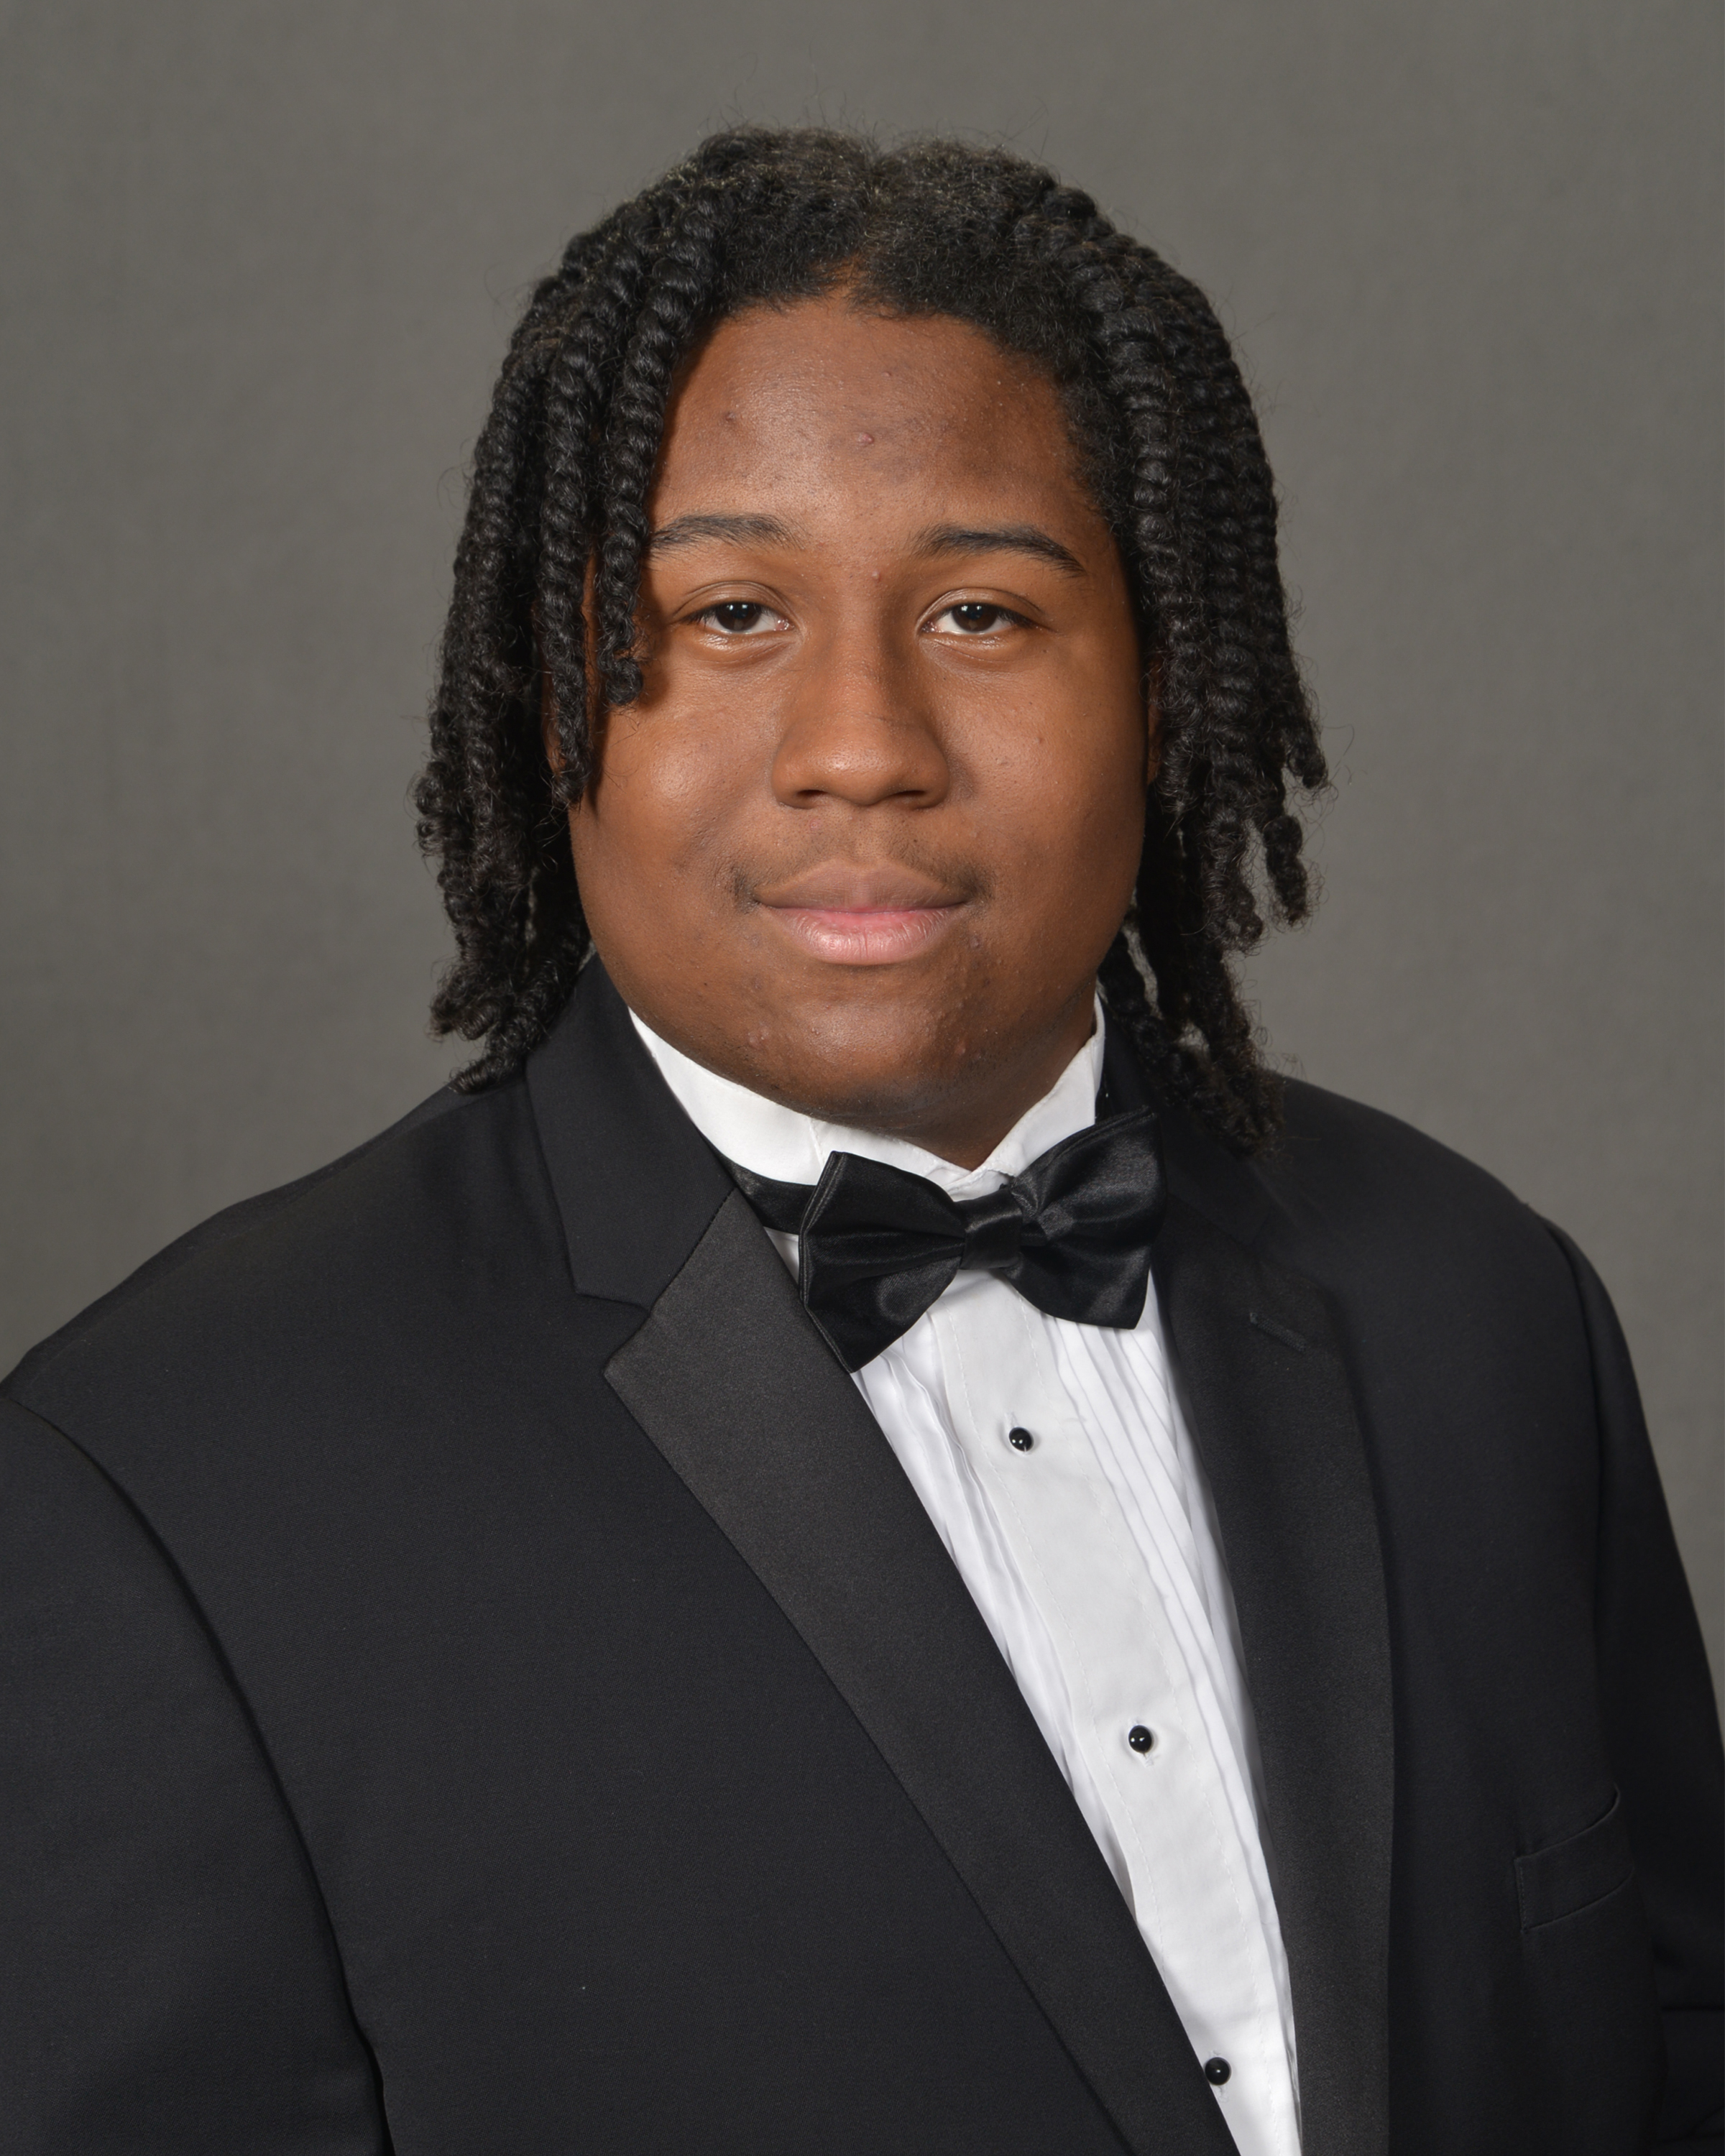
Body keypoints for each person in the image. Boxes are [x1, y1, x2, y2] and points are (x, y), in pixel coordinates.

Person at [1, 127, 1717, 2156]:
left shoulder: (1481, 1305)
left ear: (1166, 680)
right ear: (551, 700)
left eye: (982, 613)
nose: (861, 749)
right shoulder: (168, 1480)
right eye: (732, 612)